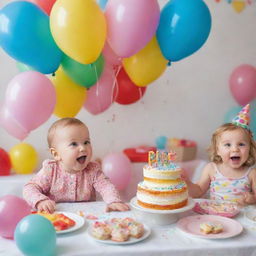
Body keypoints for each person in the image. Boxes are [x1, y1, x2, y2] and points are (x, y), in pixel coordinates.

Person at [23, 117, 130, 213]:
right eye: (74, 144)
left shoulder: (92, 170)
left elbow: (106, 186)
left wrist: (113, 201)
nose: (83, 148)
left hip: (86, 217)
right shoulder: (51, 170)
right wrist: (40, 201)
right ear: (56, 154)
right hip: (57, 217)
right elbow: (30, 188)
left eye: (86, 142)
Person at [184, 104, 256, 206]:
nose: (235, 149)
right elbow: (198, 191)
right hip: (217, 216)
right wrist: (187, 183)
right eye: (227, 144)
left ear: (249, 149)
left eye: (241, 144)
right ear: (217, 150)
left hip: (241, 218)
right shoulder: (211, 169)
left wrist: (251, 199)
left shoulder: (252, 173)